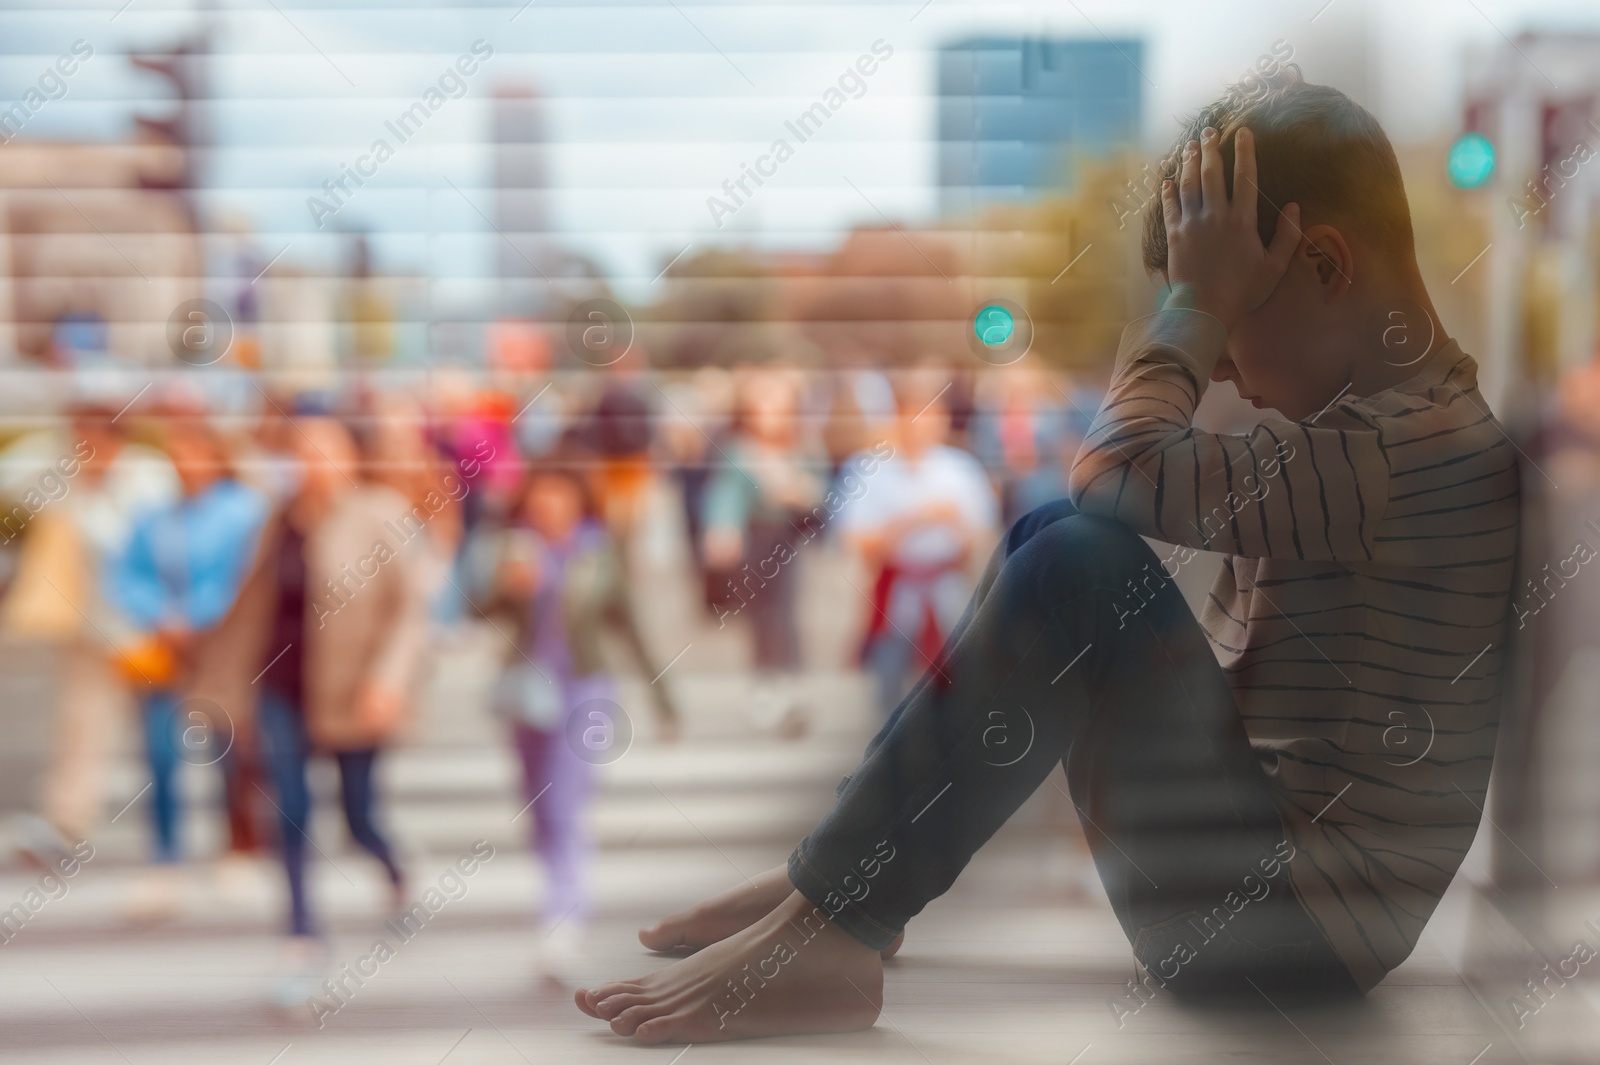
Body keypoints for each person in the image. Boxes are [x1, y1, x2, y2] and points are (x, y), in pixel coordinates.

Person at [574, 67, 1520, 1043]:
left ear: (1325, 267)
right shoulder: (1376, 428)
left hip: (1283, 943)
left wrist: (1190, 306)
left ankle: (838, 914)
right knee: (1045, 537)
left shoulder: (1412, 453)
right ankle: (838, 880)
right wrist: (1197, 296)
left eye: (1230, 324)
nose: (1221, 366)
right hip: (1251, 898)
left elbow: (1110, 473)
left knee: (1077, 561)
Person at [210, 416, 427, 1003]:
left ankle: (395, 870)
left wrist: (388, 680)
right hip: (282, 689)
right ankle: (302, 931)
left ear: (350, 457)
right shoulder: (275, 521)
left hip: (353, 691)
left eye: (323, 450)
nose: (311, 463)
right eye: (301, 451)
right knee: (290, 809)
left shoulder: (381, 513)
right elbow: (248, 606)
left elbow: (411, 611)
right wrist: (221, 685)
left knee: (358, 817)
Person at [480, 448, 681, 980]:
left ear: (577, 501)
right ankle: (557, 890)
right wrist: (507, 587)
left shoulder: (599, 552)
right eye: (539, 494)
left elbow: (632, 628)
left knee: (565, 803)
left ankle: (563, 919)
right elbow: (476, 606)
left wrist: (665, 701)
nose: (548, 504)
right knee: (537, 805)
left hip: (585, 692)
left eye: (559, 494)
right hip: (528, 692)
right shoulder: (514, 549)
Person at [105, 413, 270, 921]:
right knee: (158, 753)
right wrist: (161, 614)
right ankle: (165, 858)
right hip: (168, 652)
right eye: (177, 455)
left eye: (196, 452)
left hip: (223, 651)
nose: (186, 464)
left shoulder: (246, 511)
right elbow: (125, 573)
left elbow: (252, 575)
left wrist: (202, 615)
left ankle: (239, 850)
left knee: (231, 754)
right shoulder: (154, 517)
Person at [836, 366, 999, 716]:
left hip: (946, 583)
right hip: (895, 586)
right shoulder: (869, 470)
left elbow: (981, 535)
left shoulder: (961, 470)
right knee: (890, 678)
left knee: (958, 679)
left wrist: (955, 526)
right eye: (913, 416)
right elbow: (855, 538)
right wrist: (910, 521)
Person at [702, 367, 826, 736]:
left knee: (784, 611)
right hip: (755, 538)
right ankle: (767, 682)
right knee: (762, 613)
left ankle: (787, 680)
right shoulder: (739, 451)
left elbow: (822, 493)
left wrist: (800, 491)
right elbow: (725, 494)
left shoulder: (804, 448)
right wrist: (722, 529)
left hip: (788, 538)